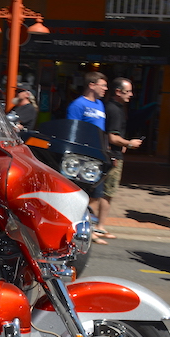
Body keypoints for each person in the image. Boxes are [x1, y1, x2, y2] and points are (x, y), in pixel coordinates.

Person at [99, 77, 144, 242]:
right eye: (128, 91)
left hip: (110, 153)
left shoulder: (110, 107)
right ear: (118, 92)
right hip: (113, 156)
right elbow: (112, 137)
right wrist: (129, 143)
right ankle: (99, 227)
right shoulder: (116, 110)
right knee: (107, 193)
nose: (131, 95)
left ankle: (98, 226)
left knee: (103, 193)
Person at [67, 71, 109, 244]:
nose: (106, 88)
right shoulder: (77, 105)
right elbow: (72, 129)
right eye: (103, 85)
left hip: (98, 155)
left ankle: (87, 226)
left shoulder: (100, 105)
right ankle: (80, 226)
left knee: (97, 193)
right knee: (86, 193)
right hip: (83, 157)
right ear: (92, 85)